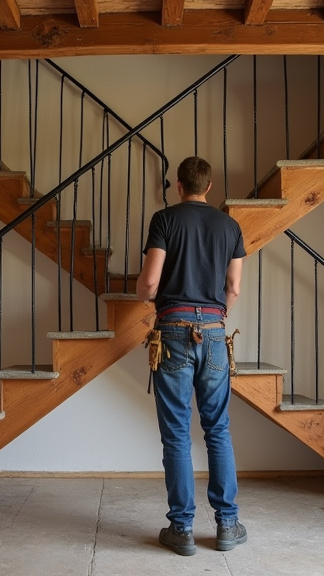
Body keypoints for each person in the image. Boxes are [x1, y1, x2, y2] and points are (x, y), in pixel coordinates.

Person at [136, 156, 247, 556]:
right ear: (209, 187)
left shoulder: (165, 219)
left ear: (178, 186)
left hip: (173, 333)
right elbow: (233, 287)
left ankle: (181, 529)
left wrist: (144, 295)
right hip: (215, 334)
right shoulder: (231, 226)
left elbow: (150, 283)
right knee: (217, 429)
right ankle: (228, 525)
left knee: (177, 433)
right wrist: (214, 318)